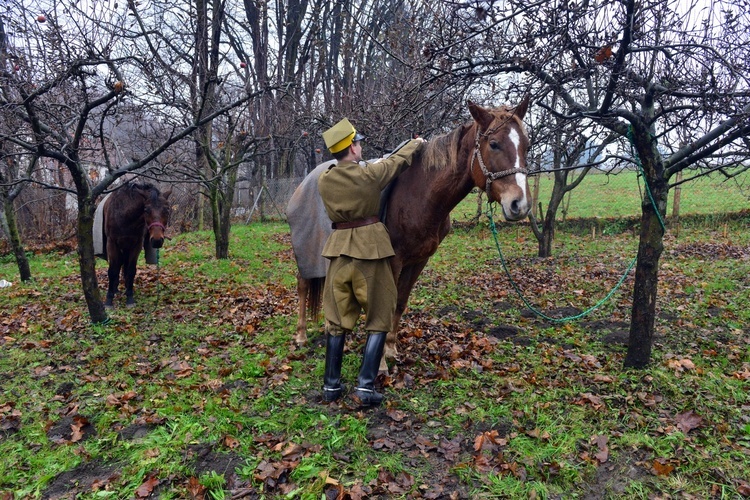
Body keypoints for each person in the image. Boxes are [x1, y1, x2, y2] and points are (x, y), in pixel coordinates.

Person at [318, 118, 425, 407]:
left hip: (338, 252)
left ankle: (331, 387)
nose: (361, 146)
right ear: (352, 148)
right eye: (358, 142)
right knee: (380, 315)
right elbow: (396, 162)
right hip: (369, 251)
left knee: (336, 320)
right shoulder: (370, 176)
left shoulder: (324, 179)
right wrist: (416, 143)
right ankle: (365, 387)